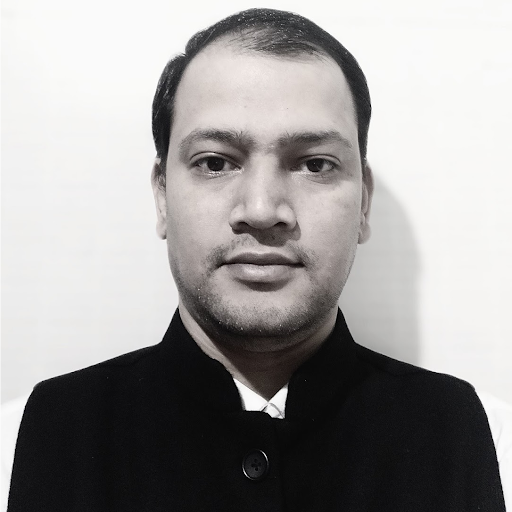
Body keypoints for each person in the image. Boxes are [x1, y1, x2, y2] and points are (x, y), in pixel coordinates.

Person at [3, 7, 510, 511]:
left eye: (315, 164)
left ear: (363, 204)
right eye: (215, 162)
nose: (263, 210)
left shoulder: (491, 446)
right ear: (162, 197)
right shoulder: (18, 446)